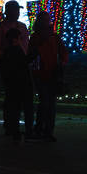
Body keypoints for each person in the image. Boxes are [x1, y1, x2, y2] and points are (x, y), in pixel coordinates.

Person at [0, 1, 29, 130]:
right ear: (8, 12)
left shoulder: (22, 27)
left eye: (18, 10)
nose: (17, 13)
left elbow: (26, 45)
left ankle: (14, 123)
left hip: (21, 64)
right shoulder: (0, 28)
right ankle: (10, 123)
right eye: (15, 10)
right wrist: (3, 59)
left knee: (19, 95)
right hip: (8, 65)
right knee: (11, 94)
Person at [28, 10, 67, 141]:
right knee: (45, 102)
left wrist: (62, 62)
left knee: (50, 103)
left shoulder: (54, 37)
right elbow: (32, 52)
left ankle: (47, 130)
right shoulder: (36, 37)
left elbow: (63, 51)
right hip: (40, 73)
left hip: (52, 73)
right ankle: (41, 128)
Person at [0, 28, 34, 140]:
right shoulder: (16, 50)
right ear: (16, 39)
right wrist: (33, 55)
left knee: (14, 107)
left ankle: (12, 129)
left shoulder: (7, 52)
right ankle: (25, 130)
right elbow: (23, 62)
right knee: (25, 107)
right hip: (21, 82)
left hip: (12, 83)